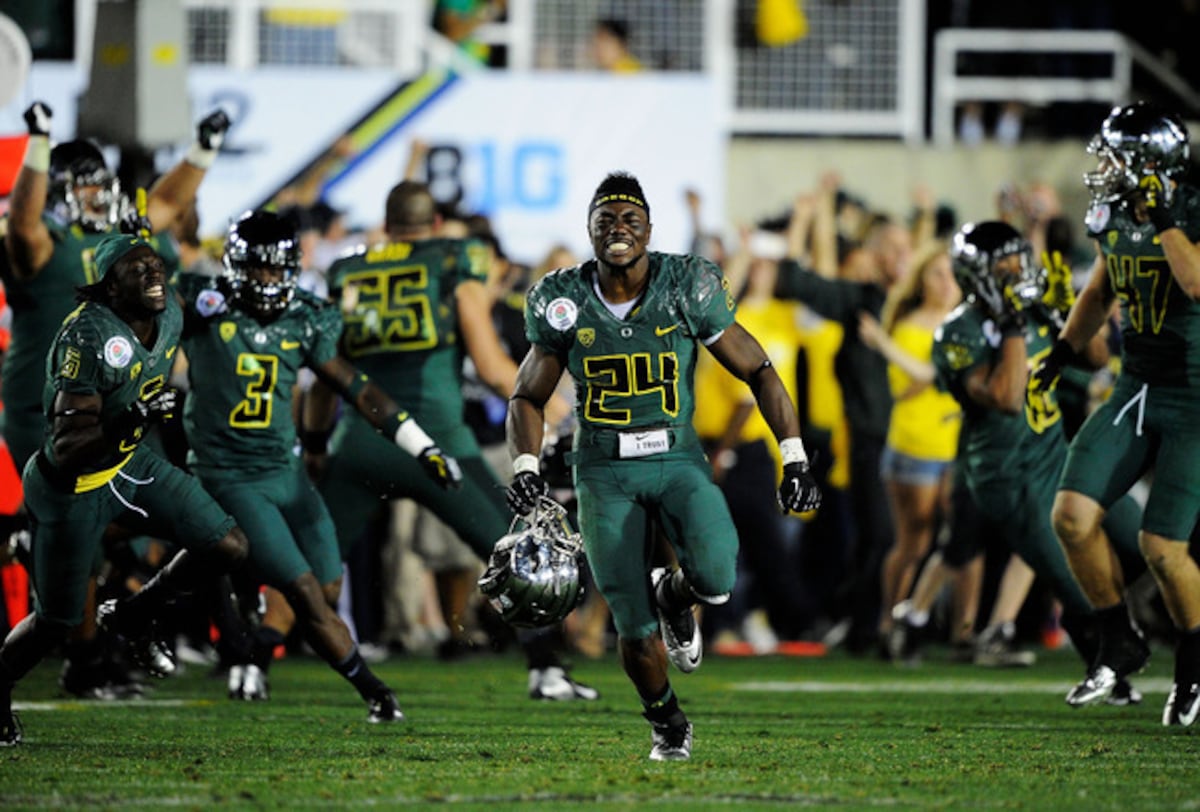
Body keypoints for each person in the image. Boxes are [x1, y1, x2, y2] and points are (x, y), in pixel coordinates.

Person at [505, 172, 821, 761]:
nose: (618, 230)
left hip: (675, 456)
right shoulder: (564, 300)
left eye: (629, 221)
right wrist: (526, 461)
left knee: (717, 574)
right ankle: (667, 722)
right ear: (589, 231)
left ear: (649, 229)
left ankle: (676, 596)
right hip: (601, 467)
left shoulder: (686, 284)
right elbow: (526, 395)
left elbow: (759, 369)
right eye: (606, 221)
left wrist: (795, 456)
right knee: (629, 618)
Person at [302, 180, 593, 701]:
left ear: (387, 225)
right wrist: (549, 403)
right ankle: (546, 668)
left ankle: (248, 658)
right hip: (439, 445)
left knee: (309, 562)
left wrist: (317, 445)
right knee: (517, 548)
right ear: (435, 225)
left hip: (361, 441)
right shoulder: (455, 265)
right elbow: (488, 363)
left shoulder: (348, 270)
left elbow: (328, 372)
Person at [175, 210, 455, 713]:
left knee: (326, 585)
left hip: (286, 469)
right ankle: (376, 693)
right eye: (258, 268)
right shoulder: (201, 301)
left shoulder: (305, 315)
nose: (267, 280)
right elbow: (140, 316)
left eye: (277, 269)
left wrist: (421, 444)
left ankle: (244, 642)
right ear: (236, 266)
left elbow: (355, 387)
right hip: (230, 471)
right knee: (302, 587)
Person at [1, 100, 231, 699]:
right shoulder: (42, 240)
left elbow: (169, 206)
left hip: (123, 417)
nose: (98, 197)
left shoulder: (128, 251)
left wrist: (202, 151)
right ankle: (83, 657)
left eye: (103, 186)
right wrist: (39, 142)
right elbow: (22, 223)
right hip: (49, 418)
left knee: (137, 537)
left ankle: (100, 625)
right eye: (83, 187)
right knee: (78, 533)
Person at [0, 234, 250, 747]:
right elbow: (69, 449)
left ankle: (136, 614)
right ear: (109, 287)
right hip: (70, 487)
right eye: (138, 270)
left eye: (156, 266)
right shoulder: (87, 336)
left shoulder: (172, 311)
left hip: (129, 466)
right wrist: (133, 417)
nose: (154, 275)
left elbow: (212, 306)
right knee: (56, 620)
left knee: (226, 544)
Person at [1029, 102, 1200, 723]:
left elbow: (1195, 282)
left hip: (1194, 393)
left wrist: (1162, 219)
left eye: (1113, 155)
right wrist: (1063, 351)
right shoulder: (1114, 213)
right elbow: (1102, 287)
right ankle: (1117, 637)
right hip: (1137, 385)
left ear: (1148, 165)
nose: (1101, 165)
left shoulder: (1191, 208)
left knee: (1161, 545)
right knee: (1071, 516)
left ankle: (1192, 661)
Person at [932, 220, 1145, 705]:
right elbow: (1007, 397)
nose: (1016, 269)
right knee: (1076, 583)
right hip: (1009, 475)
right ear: (976, 274)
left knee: (1139, 545)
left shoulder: (1033, 308)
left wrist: (1059, 306)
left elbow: (1093, 358)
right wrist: (1011, 323)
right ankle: (1109, 665)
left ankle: (1101, 639)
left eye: (1017, 258)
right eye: (1003, 263)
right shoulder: (957, 332)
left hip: (1057, 454)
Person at [857, 242, 962, 652]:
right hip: (916, 446)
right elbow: (906, 389)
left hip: (957, 448)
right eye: (936, 273)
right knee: (914, 542)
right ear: (921, 282)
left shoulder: (962, 325)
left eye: (951, 273)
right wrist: (943, 369)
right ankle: (891, 620)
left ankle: (954, 628)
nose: (946, 282)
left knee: (960, 542)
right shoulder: (909, 327)